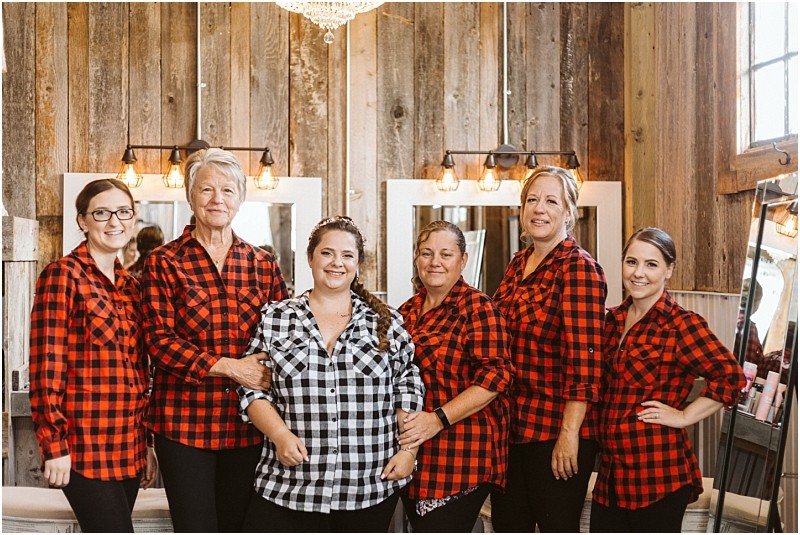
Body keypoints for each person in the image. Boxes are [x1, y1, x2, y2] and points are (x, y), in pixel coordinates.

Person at [239, 215, 425, 533]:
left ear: (358, 263)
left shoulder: (386, 321)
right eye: (327, 253)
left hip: (368, 486)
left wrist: (409, 451)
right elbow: (253, 389)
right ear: (311, 257)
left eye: (347, 255)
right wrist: (280, 435)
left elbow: (408, 384)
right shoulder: (275, 319)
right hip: (289, 486)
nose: (336, 263)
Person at [141, 148, 289, 532]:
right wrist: (230, 367)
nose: (217, 199)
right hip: (183, 427)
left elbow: (283, 337)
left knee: (241, 525)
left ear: (240, 198)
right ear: (191, 196)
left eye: (227, 190)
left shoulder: (262, 264)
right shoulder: (164, 262)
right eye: (206, 189)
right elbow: (158, 340)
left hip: (248, 425)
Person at [590, 227, 745, 532]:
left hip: (657, 473)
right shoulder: (611, 320)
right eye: (632, 262)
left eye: (652, 264)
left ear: (669, 270)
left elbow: (731, 377)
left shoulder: (680, 325)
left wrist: (685, 415)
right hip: (611, 475)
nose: (639, 273)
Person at [29, 178, 157, 532]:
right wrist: (54, 445)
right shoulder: (62, 276)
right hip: (84, 447)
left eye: (123, 212)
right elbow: (46, 368)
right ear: (83, 221)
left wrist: (145, 445)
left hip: (127, 446)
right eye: (101, 213)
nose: (114, 221)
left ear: (133, 219)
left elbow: (138, 373)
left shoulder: (131, 287)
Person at [490, 166, 607, 532]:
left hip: (555, 428)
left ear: (569, 212)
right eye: (532, 200)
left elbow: (585, 361)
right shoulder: (517, 264)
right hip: (513, 426)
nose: (539, 209)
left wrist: (569, 435)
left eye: (551, 201)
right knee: (510, 526)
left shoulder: (579, 268)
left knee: (557, 526)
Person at [397, 220, 513, 532]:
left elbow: (496, 377)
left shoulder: (478, 309)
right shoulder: (406, 311)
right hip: (416, 454)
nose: (435, 262)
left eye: (445, 254)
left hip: (461, 453)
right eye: (427, 253)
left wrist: (437, 419)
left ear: (463, 260)